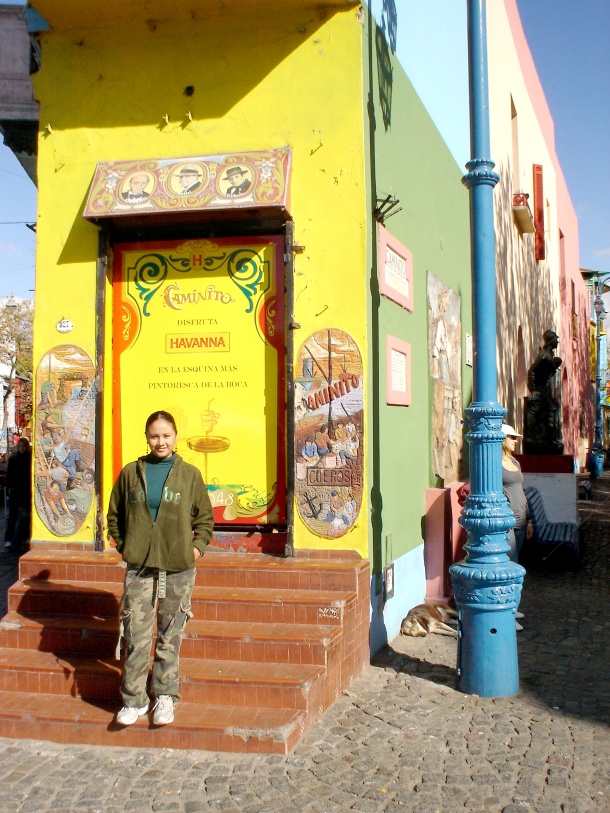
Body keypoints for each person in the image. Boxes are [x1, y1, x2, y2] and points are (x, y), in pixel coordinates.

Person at [107, 410, 214, 727]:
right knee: (137, 637)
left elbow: (205, 519)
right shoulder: (131, 473)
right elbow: (114, 515)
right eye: (154, 436)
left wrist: (195, 549)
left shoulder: (189, 475)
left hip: (178, 568)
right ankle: (134, 700)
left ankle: (165, 697)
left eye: (166, 435)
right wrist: (125, 546)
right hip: (140, 569)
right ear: (146, 437)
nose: (160, 441)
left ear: (176, 436)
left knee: (170, 635)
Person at [501, 423, 534, 563]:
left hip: (521, 520)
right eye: (512, 437)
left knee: (515, 561)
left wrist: (529, 520)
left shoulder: (515, 462)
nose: (516, 441)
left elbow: (520, 491)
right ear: (502, 439)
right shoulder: (495, 463)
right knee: (510, 562)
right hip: (508, 522)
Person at [4, 437, 32, 553]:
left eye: (24, 446)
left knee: (21, 516)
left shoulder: (28, 459)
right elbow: (10, 474)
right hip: (17, 490)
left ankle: (15, 540)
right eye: (20, 446)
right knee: (14, 516)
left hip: (24, 491)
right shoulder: (14, 459)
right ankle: (11, 540)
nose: (22, 448)